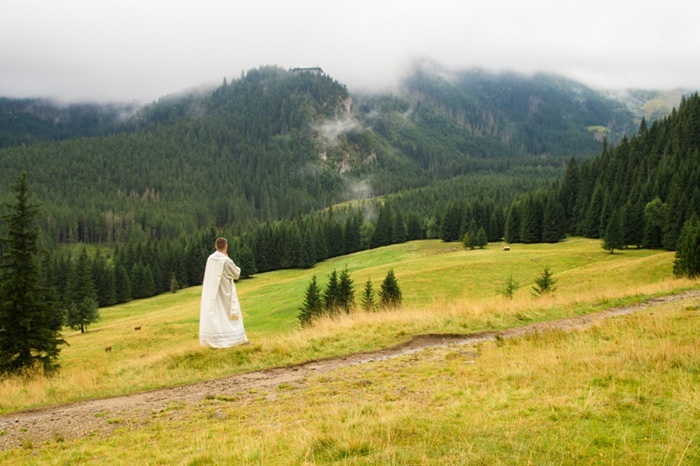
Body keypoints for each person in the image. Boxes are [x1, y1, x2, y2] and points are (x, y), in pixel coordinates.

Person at [199, 237, 249, 348]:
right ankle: (234, 340)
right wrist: (228, 257)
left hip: (213, 293)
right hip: (225, 292)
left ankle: (214, 341)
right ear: (226, 246)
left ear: (216, 246)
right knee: (228, 315)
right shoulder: (226, 261)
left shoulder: (210, 259)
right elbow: (236, 273)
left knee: (217, 315)